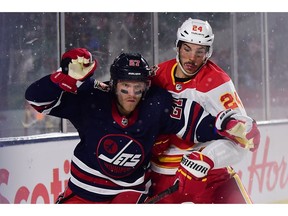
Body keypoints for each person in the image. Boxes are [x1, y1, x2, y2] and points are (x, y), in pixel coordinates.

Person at [24, 48, 258, 204]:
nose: (132, 94)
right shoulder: (92, 97)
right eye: (125, 86)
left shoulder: (157, 102)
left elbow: (197, 122)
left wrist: (229, 124)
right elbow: (36, 99)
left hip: (130, 197)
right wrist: (64, 78)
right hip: (83, 196)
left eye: (138, 87)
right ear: (113, 83)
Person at [149, 18, 261, 204]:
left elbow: (241, 144)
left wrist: (207, 158)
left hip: (210, 177)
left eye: (199, 52)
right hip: (161, 178)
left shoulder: (217, 82)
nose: (192, 58)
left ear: (208, 53)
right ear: (177, 47)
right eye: (187, 49)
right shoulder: (158, 74)